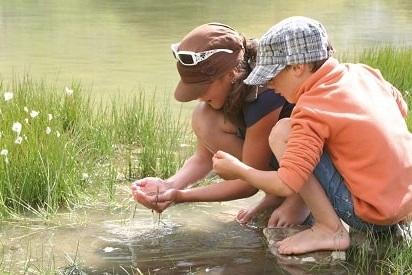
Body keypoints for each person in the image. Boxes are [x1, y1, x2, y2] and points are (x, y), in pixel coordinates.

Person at [210, 16, 412, 255]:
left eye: (272, 76)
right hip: (405, 204)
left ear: (298, 68)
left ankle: (330, 228)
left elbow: (286, 183)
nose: (270, 85)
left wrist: (239, 170)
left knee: (282, 132)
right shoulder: (364, 73)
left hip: (372, 217)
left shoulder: (311, 107)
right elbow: (401, 108)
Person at [131, 22, 309, 227]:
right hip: (279, 161)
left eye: (202, 88)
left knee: (280, 133)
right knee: (203, 118)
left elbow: (248, 182)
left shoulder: (264, 94)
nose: (198, 97)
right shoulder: (229, 89)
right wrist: (169, 185)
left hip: (309, 158)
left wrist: (180, 196)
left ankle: (299, 197)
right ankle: (278, 194)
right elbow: (202, 158)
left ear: (231, 74)